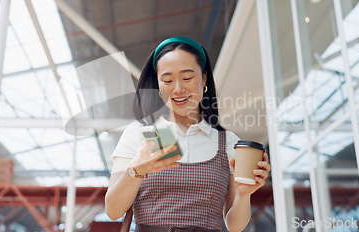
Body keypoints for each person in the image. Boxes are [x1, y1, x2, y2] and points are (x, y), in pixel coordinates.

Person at [105, 36, 271, 232]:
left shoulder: (227, 142)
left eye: (187, 78)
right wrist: (136, 170)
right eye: (167, 80)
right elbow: (113, 211)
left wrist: (244, 195)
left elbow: (234, 226)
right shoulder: (140, 133)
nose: (178, 89)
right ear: (158, 85)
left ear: (204, 78)